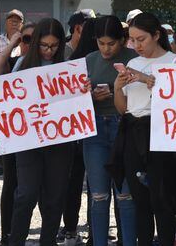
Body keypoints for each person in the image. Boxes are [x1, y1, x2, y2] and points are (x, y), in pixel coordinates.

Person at [113, 12, 176, 246]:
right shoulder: (132, 63)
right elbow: (123, 109)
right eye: (132, 40)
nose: (136, 45)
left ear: (156, 35)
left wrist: (146, 79)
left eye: (141, 39)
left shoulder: (174, 62)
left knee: (162, 198)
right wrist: (117, 87)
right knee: (139, 199)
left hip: (161, 133)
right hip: (133, 131)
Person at [5, 18, 74, 246]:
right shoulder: (23, 63)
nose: (48, 50)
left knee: (54, 198)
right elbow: (8, 101)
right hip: (28, 142)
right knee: (26, 195)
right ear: (35, 43)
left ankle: (48, 241)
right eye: (44, 45)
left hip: (60, 142)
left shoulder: (68, 66)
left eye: (54, 46)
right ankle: (16, 241)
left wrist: (84, 91)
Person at [83, 15, 138, 246]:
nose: (106, 49)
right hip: (94, 129)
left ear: (123, 40)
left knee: (126, 196)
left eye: (111, 43)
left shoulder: (135, 59)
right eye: (101, 43)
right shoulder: (88, 59)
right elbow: (75, 100)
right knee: (98, 196)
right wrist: (90, 97)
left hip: (124, 127)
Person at [56, 18, 98, 246]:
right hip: (94, 129)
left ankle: (70, 228)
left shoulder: (72, 60)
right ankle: (95, 230)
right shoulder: (96, 61)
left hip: (72, 132)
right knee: (95, 184)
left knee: (72, 183)